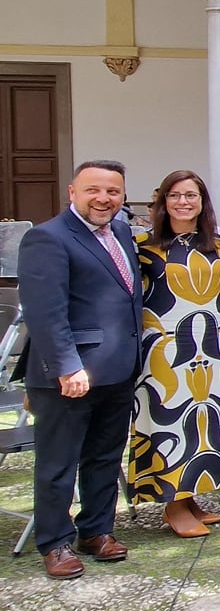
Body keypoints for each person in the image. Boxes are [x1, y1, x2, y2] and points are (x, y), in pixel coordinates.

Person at [18, 160, 142, 579]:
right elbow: (45, 312)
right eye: (93, 190)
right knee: (58, 463)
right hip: (70, 376)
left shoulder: (121, 232)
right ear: (72, 192)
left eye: (113, 191)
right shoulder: (47, 239)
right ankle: (55, 543)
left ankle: (97, 530)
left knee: (105, 456)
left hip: (118, 370)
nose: (104, 199)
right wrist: (68, 366)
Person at [127, 170, 220, 538]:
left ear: (202, 202)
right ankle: (172, 505)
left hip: (211, 349)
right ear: (162, 202)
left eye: (191, 195)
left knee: (203, 424)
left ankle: (190, 496)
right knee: (171, 422)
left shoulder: (219, 246)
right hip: (165, 349)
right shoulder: (144, 246)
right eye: (175, 195)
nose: (183, 202)